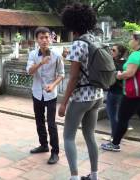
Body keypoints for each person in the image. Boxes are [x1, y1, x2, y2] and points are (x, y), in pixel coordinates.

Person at [58, 3, 103, 180]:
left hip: (82, 97)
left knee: (68, 136)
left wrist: (63, 103)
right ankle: (94, 175)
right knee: (90, 134)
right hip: (98, 95)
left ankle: (74, 177)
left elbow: (74, 77)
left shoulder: (78, 43)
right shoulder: (95, 40)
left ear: (70, 23)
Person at [101, 31, 140, 158]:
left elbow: (129, 73)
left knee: (122, 119)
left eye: (131, 39)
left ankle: (115, 144)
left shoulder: (135, 55)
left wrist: (118, 75)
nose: (130, 41)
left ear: (137, 41)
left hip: (134, 94)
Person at [26, 27, 64, 165]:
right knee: (39, 121)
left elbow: (61, 74)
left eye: (47, 37)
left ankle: (55, 152)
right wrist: (41, 62)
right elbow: (29, 71)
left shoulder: (57, 55)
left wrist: (53, 85)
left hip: (50, 94)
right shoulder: (32, 55)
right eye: (41, 37)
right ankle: (43, 145)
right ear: (37, 40)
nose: (44, 40)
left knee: (51, 123)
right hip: (37, 92)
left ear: (51, 39)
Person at [106, 44, 128, 140]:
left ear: (119, 52)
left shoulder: (113, 63)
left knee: (112, 116)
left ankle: (115, 138)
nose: (111, 51)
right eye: (111, 49)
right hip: (123, 92)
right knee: (119, 116)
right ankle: (117, 136)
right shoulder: (127, 63)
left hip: (114, 92)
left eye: (114, 50)